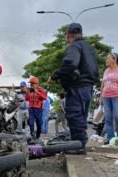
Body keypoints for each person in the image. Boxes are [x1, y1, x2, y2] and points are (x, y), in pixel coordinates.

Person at [48, 23, 99, 154]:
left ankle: (79, 146)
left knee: (74, 115)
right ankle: (80, 143)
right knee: (81, 117)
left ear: (68, 35)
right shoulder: (90, 48)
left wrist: (54, 76)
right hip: (88, 87)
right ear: (81, 34)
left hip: (77, 86)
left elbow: (70, 64)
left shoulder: (74, 46)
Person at [99, 53, 118, 143]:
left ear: (114, 59)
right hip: (106, 96)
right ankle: (110, 138)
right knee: (108, 118)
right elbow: (103, 84)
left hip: (117, 96)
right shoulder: (106, 71)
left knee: (117, 115)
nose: (106, 60)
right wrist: (100, 97)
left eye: (108, 59)